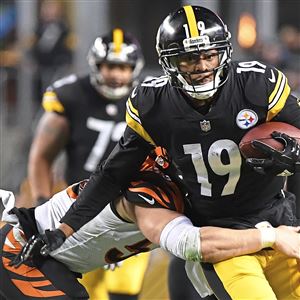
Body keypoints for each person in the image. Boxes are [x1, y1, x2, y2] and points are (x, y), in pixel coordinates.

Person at [21, 5, 300, 299]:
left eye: (209, 55)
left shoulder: (258, 86)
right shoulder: (154, 105)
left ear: (224, 52)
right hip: (222, 237)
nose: (202, 66)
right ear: (170, 62)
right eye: (189, 58)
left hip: (279, 218)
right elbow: (112, 174)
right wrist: (64, 229)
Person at [1, 152, 300, 299]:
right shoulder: (148, 191)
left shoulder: (181, 191)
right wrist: (270, 236)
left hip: (52, 262)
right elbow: (191, 244)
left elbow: (198, 258)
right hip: (23, 254)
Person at [27, 28, 147, 300]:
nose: (116, 75)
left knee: (125, 290)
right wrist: (45, 208)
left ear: (135, 69)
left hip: (132, 207)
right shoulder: (71, 95)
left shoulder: (149, 98)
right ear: (96, 65)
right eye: (110, 66)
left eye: (124, 67)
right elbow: (41, 157)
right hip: (80, 209)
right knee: (86, 291)